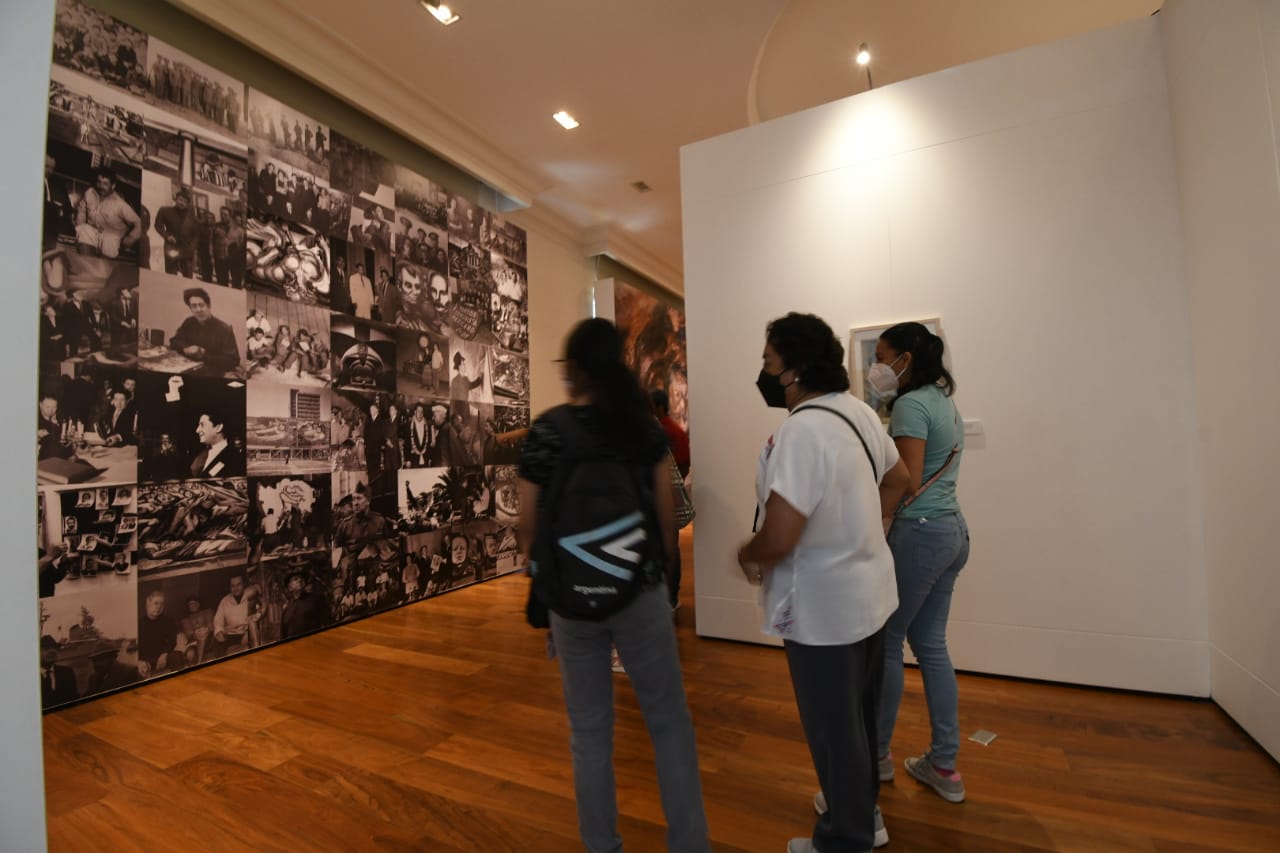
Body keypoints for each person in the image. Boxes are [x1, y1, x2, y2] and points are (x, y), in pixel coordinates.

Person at [516, 318, 710, 853]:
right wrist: (662, 583)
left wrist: (548, 569)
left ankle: (602, 845)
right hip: (640, 593)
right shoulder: (643, 430)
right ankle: (690, 844)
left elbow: (527, 524)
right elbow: (668, 522)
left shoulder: (549, 430)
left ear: (574, 370)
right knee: (669, 723)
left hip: (571, 602)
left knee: (590, 733)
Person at [736, 312, 910, 853]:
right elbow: (900, 480)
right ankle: (861, 812)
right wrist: (860, 531)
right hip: (871, 596)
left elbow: (782, 531)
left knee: (834, 731)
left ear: (795, 370)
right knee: (857, 718)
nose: (763, 374)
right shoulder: (858, 414)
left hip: (824, 612)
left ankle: (845, 838)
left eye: (768, 364)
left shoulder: (801, 430)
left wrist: (749, 553)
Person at [871, 322, 971, 805]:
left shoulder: (910, 404)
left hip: (920, 533)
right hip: (952, 529)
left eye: (885, 355)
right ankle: (945, 766)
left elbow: (905, 481)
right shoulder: (942, 398)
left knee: (889, 642)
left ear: (907, 358)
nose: (879, 365)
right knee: (930, 645)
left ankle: (877, 757)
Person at [74, 167, 142, 260]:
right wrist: (79, 225)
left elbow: (139, 223)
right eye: (99, 182)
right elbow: (81, 211)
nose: (101, 186)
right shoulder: (90, 193)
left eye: (105, 184)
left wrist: (131, 237)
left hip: (112, 237)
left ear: (113, 186)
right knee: (84, 229)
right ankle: (86, 265)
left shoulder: (120, 204)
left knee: (109, 242)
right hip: (93, 232)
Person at [170, 287, 241, 375]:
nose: (198, 310)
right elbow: (174, 341)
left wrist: (204, 356)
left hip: (212, 374)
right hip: (187, 370)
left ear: (209, 305)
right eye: (194, 306)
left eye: (201, 305)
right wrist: (185, 349)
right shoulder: (189, 322)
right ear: (190, 308)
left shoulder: (224, 329)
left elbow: (233, 361)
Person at [137, 589, 185, 678]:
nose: (159, 607)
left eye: (162, 604)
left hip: (164, 657)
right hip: (147, 660)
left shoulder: (169, 621)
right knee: (138, 671)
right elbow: (135, 648)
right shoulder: (139, 624)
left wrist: (164, 654)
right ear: (148, 602)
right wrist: (140, 661)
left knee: (176, 656)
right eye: (156, 603)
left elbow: (172, 641)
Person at [154, 188, 199, 277]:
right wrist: (167, 236)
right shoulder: (165, 211)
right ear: (175, 199)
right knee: (171, 273)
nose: (181, 203)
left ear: (187, 204)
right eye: (180, 200)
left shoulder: (192, 217)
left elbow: (197, 235)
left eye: (184, 201)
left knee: (187, 275)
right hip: (171, 246)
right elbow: (158, 225)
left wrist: (192, 248)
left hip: (186, 248)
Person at [213, 573, 258, 654]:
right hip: (231, 636)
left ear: (244, 584)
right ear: (230, 587)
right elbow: (218, 621)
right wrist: (219, 632)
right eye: (233, 586)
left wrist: (248, 631)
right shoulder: (225, 601)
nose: (236, 588)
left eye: (238, 585)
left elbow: (257, 615)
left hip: (248, 633)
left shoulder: (250, 596)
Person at [190, 409, 243, 478]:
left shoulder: (235, 457)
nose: (197, 430)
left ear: (218, 428)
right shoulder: (200, 454)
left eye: (202, 425)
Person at [280, 569, 331, 639]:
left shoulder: (316, 599)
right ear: (289, 587)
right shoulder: (287, 609)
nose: (299, 580)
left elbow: (328, 623)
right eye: (295, 579)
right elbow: (283, 635)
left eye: (301, 578)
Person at [651, 389, 690, 478]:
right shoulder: (672, 429)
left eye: (651, 406)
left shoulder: (664, 431)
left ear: (660, 408)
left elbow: (682, 465)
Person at [40, 635, 80, 707]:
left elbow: (74, 698)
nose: (52, 651)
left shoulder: (67, 673)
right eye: (46, 648)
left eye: (54, 648)